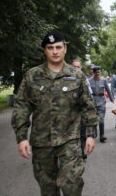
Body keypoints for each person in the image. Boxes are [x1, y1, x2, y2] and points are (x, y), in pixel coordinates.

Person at [11, 30, 98, 196]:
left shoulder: (77, 75)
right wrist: (21, 138)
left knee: (71, 183)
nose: (55, 51)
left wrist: (90, 134)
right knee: (48, 188)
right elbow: (22, 106)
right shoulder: (32, 76)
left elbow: (87, 106)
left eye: (58, 47)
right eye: (50, 47)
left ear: (65, 48)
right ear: (45, 50)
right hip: (41, 141)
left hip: (70, 139)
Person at [71, 59, 93, 159]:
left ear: (81, 68)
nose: (76, 69)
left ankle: (82, 150)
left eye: (78, 67)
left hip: (81, 111)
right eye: (74, 67)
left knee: (82, 132)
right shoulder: (65, 78)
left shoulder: (84, 78)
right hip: (69, 113)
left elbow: (89, 94)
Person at [89, 66, 114, 142]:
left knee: (101, 119)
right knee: (93, 119)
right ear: (93, 73)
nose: (97, 73)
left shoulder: (104, 80)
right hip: (92, 102)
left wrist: (112, 100)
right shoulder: (89, 81)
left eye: (99, 72)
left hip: (101, 101)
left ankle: (102, 135)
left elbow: (108, 90)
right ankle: (93, 133)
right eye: (96, 72)